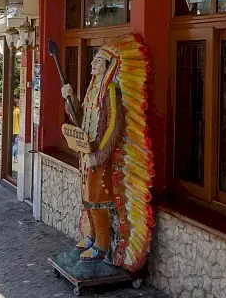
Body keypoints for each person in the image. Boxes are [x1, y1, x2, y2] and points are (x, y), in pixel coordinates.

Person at [57, 35, 154, 270]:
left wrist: (99, 154)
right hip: (85, 154)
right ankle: (91, 237)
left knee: (98, 199)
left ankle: (102, 244)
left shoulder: (110, 91)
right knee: (87, 199)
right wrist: (69, 98)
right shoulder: (92, 91)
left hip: (100, 158)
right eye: (94, 61)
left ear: (108, 66)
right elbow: (80, 119)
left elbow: (113, 126)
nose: (93, 64)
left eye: (98, 61)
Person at [11, 98, 20, 162]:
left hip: (12, 130)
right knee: (16, 145)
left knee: (14, 144)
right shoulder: (17, 111)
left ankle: (13, 157)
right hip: (17, 130)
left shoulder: (12, 111)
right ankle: (15, 157)